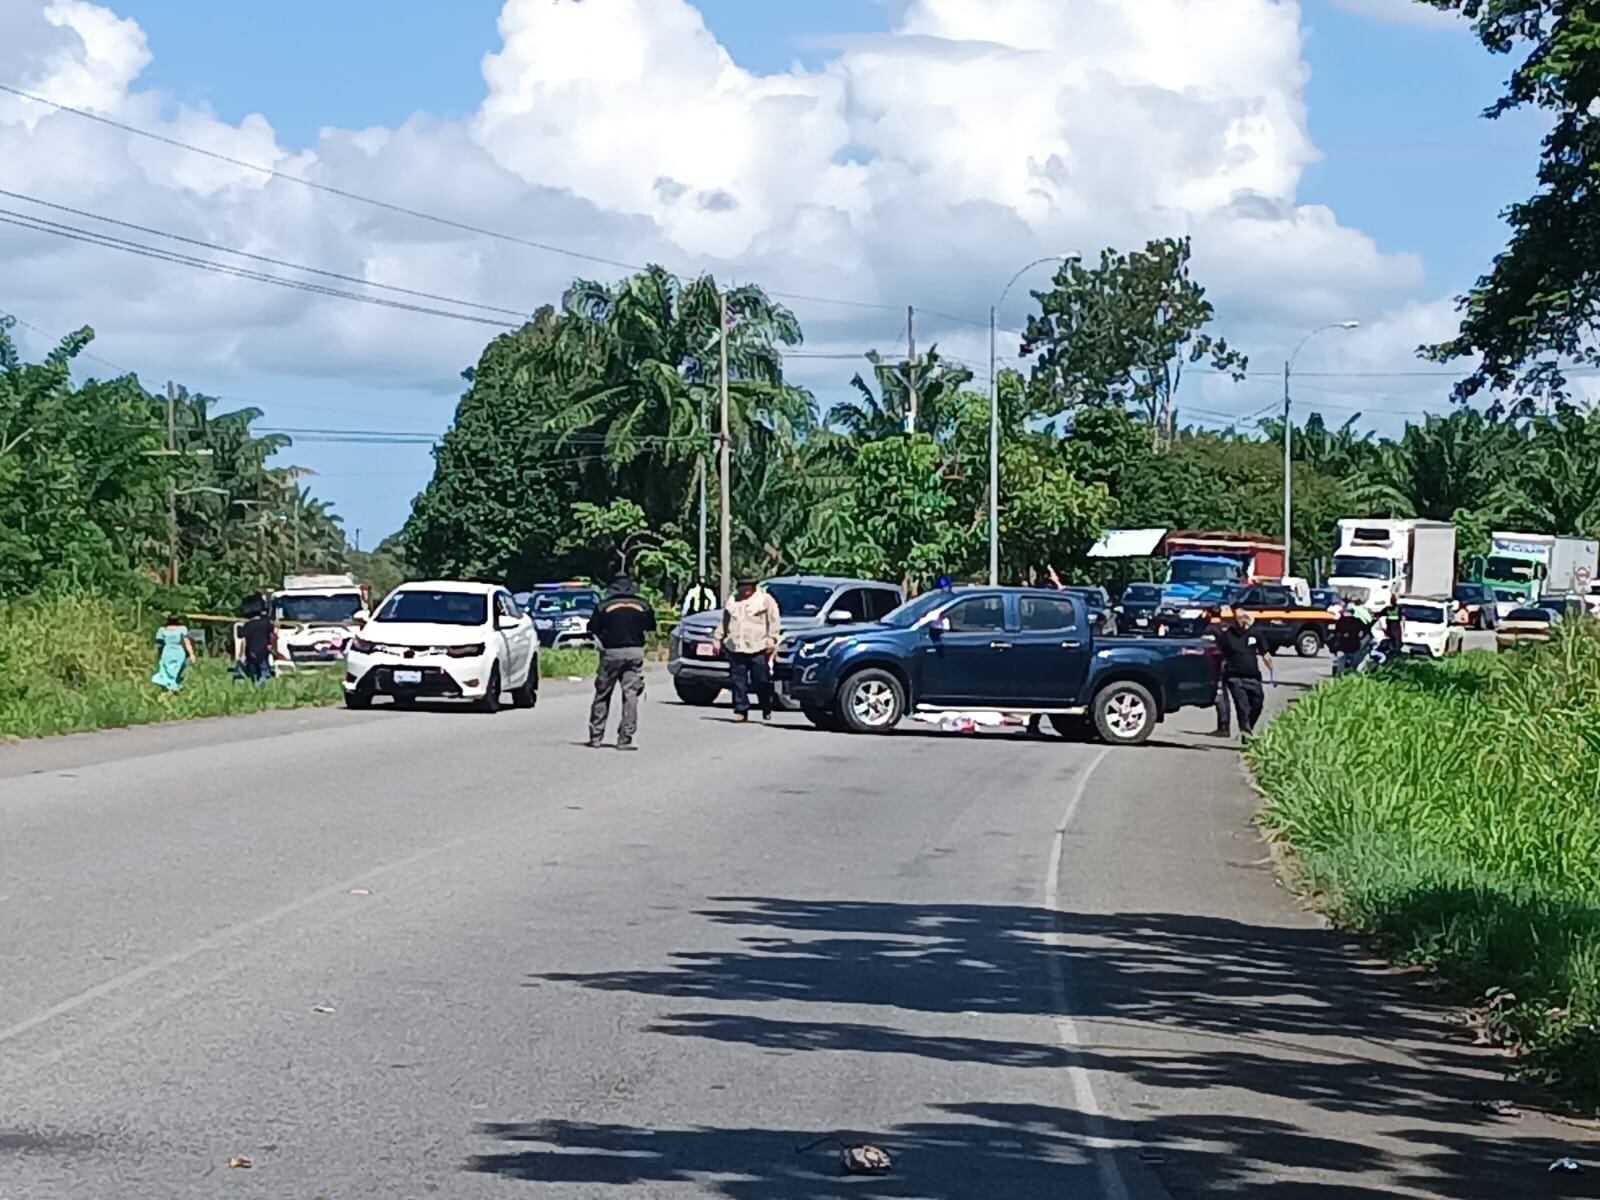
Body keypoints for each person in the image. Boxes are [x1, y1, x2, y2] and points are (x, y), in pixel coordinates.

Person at [585, 573, 656, 750]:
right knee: (631, 695)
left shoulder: (603, 606)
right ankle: (626, 737)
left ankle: (596, 736)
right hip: (635, 652)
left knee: (603, 694)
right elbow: (651, 626)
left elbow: (592, 629)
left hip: (611, 653)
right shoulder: (643, 605)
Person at [715, 573, 781, 722]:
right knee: (738, 681)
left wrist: (772, 640)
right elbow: (725, 621)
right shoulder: (733, 600)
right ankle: (741, 710)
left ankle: (766, 705)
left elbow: (774, 621)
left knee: (761, 680)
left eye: (749, 586)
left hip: (757, 646)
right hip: (736, 646)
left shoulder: (765, 600)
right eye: (743, 586)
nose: (746, 590)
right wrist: (718, 638)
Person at [1214, 609, 1273, 738]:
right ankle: (1245, 732)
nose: (1241, 620)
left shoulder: (1255, 633)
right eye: (1238, 617)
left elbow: (1265, 653)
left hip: (1253, 676)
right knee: (1242, 706)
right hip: (1234, 676)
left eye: (1244, 617)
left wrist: (1271, 668)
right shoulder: (1227, 635)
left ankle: (1248, 727)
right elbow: (1218, 653)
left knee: (1257, 704)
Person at [236, 597, 279, 687]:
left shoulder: (247, 625)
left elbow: (243, 641)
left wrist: (241, 654)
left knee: (254, 672)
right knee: (264, 671)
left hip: (251, 652)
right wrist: (274, 648)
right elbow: (273, 635)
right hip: (264, 651)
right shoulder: (267, 623)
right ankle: (263, 687)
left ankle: (255, 687)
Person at [151, 615, 195, 694]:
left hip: (167, 651)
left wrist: (159, 655)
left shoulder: (162, 630)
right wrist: (191, 654)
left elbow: (159, 645)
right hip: (178, 652)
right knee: (176, 669)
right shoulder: (182, 629)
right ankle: (173, 687)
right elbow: (186, 642)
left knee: (166, 670)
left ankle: (167, 688)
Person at [1329, 604, 1370, 677]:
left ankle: (1339, 678)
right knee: (1354, 666)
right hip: (1354, 646)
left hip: (1342, 646)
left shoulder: (1341, 620)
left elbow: (1336, 632)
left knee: (1340, 665)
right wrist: (1360, 638)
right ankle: (1350, 678)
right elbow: (1365, 631)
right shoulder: (1358, 621)